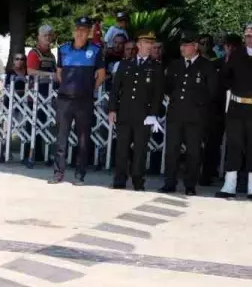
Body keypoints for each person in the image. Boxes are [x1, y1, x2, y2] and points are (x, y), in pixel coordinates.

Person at [49, 16, 107, 185]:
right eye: (79, 30)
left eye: (85, 30)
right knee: (61, 138)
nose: (81, 33)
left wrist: (89, 89)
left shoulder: (96, 51)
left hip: (84, 101)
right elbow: (59, 73)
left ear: (89, 32)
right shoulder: (63, 49)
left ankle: (80, 175)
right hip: (65, 100)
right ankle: (58, 173)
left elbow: (101, 75)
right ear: (74, 31)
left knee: (83, 139)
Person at [161, 31, 219, 195]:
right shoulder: (175, 65)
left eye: (186, 45)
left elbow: (212, 91)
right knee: (172, 150)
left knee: (193, 151)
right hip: (176, 113)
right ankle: (169, 182)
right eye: (181, 45)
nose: (182, 48)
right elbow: (168, 86)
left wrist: (200, 105)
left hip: (196, 115)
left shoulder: (206, 66)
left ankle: (190, 185)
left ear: (195, 47)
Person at [108, 30, 165, 191]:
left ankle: (138, 181)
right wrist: (112, 109)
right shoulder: (126, 64)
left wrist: (153, 114)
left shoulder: (155, 67)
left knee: (140, 149)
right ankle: (119, 179)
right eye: (146, 43)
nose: (149, 46)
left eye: (151, 43)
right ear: (139, 45)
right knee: (121, 148)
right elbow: (115, 89)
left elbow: (157, 94)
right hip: (125, 112)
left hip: (143, 115)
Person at [216, 23, 252, 199]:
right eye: (247, 36)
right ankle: (229, 186)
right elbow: (224, 76)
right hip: (237, 107)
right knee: (234, 145)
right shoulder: (237, 55)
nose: (249, 39)